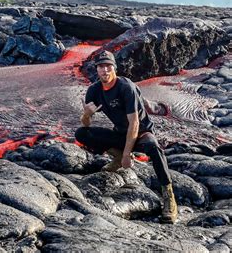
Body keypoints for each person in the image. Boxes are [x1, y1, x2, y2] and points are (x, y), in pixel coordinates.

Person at [75, 50, 178, 224]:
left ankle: (168, 194)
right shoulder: (94, 90)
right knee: (81, 134)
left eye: (108, 66)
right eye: (101, 66)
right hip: (121, 134)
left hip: (142, 133)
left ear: (114, 68)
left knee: (153, 147)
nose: (104, 70)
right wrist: (86, 114)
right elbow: (86, 124)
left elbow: (135, 124)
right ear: (97, 69)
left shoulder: (125, 87)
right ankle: (116, 155)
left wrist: (127, 155)